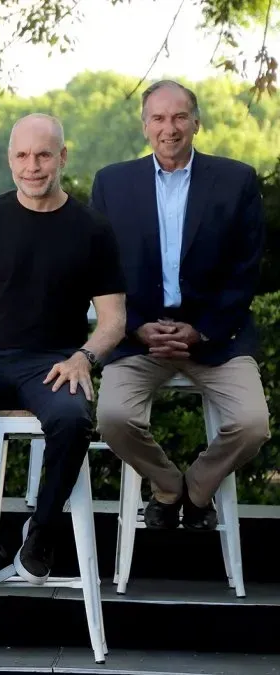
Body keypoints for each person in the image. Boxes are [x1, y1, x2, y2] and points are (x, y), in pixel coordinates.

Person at [0, 115, 126, 600]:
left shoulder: (92, 228)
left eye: (43, 155)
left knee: (71, 418)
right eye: (22, 156)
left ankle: (40, 534)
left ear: (63, 157)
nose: (32, 166)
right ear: (9, 160)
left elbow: (114, 319)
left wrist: (84, 357)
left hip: (53, 362)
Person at [91, 80, 270, 531]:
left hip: (215, 337)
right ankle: (169, 486)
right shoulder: (112, 183)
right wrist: (132, 325)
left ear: (196, 122)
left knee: (252, 425)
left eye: (178, 117)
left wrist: (203, 329)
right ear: (144, 125)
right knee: (113, 419)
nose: (168, 128)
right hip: (139, 338)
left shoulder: (236, 180)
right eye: (158, 118)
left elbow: (246, 270)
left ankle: (197, 487)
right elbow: (97, 269)